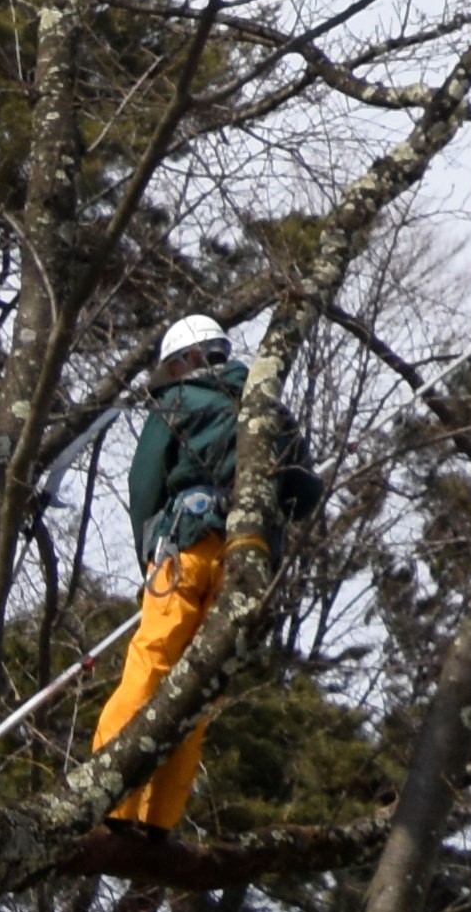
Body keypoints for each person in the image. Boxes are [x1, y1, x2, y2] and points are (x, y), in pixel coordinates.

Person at [95, 309, 319, 829]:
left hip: (185, 551)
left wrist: (147, 554)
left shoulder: (175, 402)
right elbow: (305, 494)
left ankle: (111, 804)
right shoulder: (267, 410)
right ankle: (158, 821)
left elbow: (144, 484)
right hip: (245, 567)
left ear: (190, 360)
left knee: (151, 664)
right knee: (195, 693)